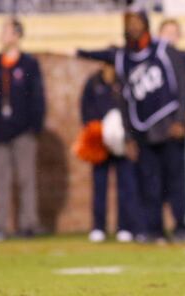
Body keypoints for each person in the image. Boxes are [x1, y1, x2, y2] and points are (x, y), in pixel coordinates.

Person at [78, 12, 185, 243]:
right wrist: (129, 136)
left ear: (147, 26)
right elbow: (123, 100)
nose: (133, 28)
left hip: (169, 128)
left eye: (137, 23)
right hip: (143, 131)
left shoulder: (163, 51)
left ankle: (181, 227)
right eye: (129, 24)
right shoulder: (123, 58)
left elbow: (182, 84)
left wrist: (180, 119)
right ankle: (154, 230)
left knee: (176, 182)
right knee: (150, 183)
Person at [0, 18, 45, 242]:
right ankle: (0, 225)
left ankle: (28, 224)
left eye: (6, 32)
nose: (2, 36)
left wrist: (35, 126)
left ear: (17, 35)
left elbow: (37, 96)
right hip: (1, 130)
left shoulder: (28, 64)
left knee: (26, 179)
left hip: (23, 130)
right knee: (2, 179)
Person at [80, 64, 142, 243]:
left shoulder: (125, 81)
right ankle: (98, 227)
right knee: (99, 186)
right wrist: (96, 131)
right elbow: (85, 110)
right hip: (100, 142)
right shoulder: (93, 82)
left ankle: (125, 227)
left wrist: (127, 134)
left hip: (123, 142)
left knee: (126, 186)